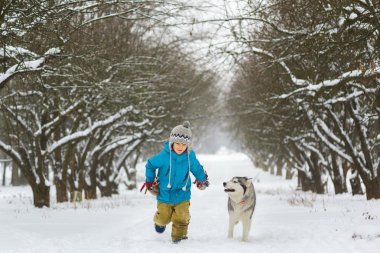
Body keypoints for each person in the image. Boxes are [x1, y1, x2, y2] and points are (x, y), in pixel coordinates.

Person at [141, 121, 209, 243]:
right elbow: (150, 164)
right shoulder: (164, 156)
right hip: (164, 194)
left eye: (183, 144)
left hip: (182, 194)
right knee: (163, 218)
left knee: (181, 217)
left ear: (187, 145)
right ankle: (159, 222)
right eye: (177, 143)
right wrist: (150, 181)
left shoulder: (190, 156)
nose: (180, 147)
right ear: (172, 142)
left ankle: (179, 237)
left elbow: (197, 168)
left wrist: (203, 179)